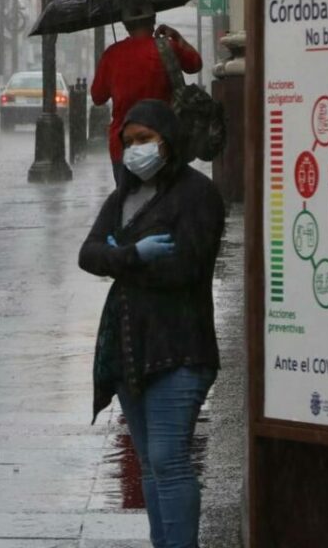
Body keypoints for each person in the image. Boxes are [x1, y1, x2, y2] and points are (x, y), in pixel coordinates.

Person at [78, 100, 225, 548]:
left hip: (179, 347)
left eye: (145, 140)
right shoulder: (123, 195)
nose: (136, 150)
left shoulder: (196, 193)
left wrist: (118, 256)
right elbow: (88, 254)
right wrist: (131, 255)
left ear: (167, 139)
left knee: (169, 459)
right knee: (150, 463)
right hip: (129, 349)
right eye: (128, 142)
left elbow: (188, 267)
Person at [91, 0, 203, 183]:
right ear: (153, 21)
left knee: (130, 204)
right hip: (162, 142)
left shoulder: (112, 55)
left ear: (125, 25)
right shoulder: (168, 47)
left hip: (124, 146)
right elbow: (195, 64)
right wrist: (177, 37)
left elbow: (97, 97)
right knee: (165, 201)